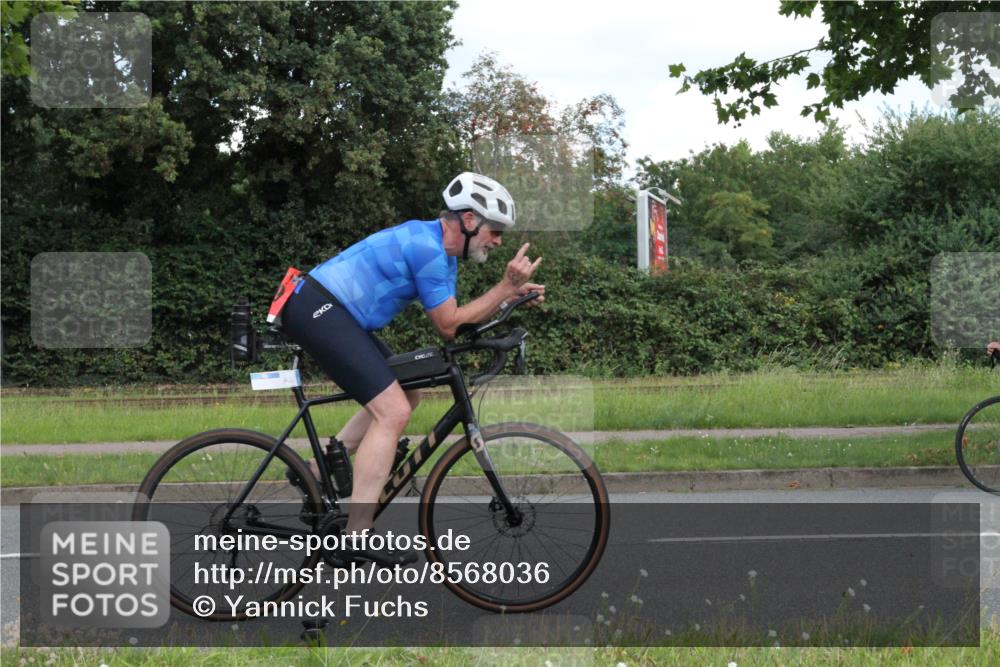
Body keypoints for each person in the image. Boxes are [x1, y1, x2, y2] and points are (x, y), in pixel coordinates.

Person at [279, 172, 545, 565]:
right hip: (318, 308)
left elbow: (456, 320)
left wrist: (508, 301)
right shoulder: (428, 249)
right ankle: (355, 535)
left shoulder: (440, 253)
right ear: (469, 221)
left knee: (409, 389)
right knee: (394, 411)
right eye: (495, 230)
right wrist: (504, 288)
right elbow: (449, 325)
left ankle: (316, 470)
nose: (498, 240)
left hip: (331, 311)